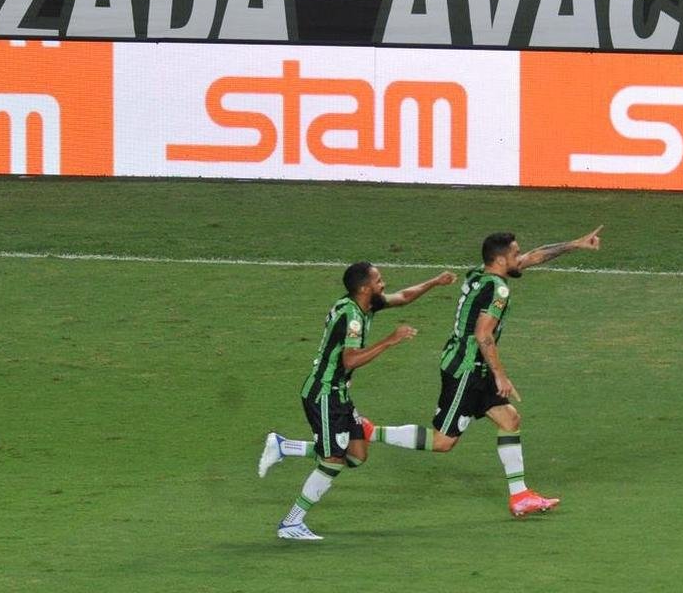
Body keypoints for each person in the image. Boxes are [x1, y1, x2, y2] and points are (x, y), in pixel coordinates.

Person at [364, 226, 603, 517]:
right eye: (515, 254)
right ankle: (367, 431)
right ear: (501, 261)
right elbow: (483, 335)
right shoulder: (498, 289)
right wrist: (500, 375)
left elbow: (534, 257)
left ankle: (520, 496)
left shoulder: (479, 273)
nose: (521, 257)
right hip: (465, 368)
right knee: (442, 442)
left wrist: (575, 244)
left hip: (475, 367)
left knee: (509, 419)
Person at [257, 262, 455, 540]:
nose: (383, 284)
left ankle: (283, 446)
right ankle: (291, 523)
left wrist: (435, 281)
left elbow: (403, 297)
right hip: (323, 394)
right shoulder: (352, 318)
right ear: (364, 288)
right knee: (334, 459)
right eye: (379, 280)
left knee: (357, 454)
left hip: (338, 393)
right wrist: (390, 340)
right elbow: (350, 359)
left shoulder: (364, 304)